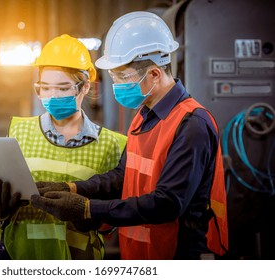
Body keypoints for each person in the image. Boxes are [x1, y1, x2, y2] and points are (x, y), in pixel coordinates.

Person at [30, 11, 229, 260]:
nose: (117, 85)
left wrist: (89, 209)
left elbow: (167, 203)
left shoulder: (192, 124)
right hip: (140, 254)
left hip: (179, 255)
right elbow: (123, 175)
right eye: (114, 78)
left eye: (123, 77)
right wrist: (72, 188)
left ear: (155, 74)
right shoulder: (144, 115)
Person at [0, 34, 127, 260]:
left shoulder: (112, 145)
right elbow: (4, 201)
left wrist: (87, 215)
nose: (52, 95)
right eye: (45, 88)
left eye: (62, 88)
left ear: (85, 87)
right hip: (19, 257)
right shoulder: (19, 132)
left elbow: (112, 221)